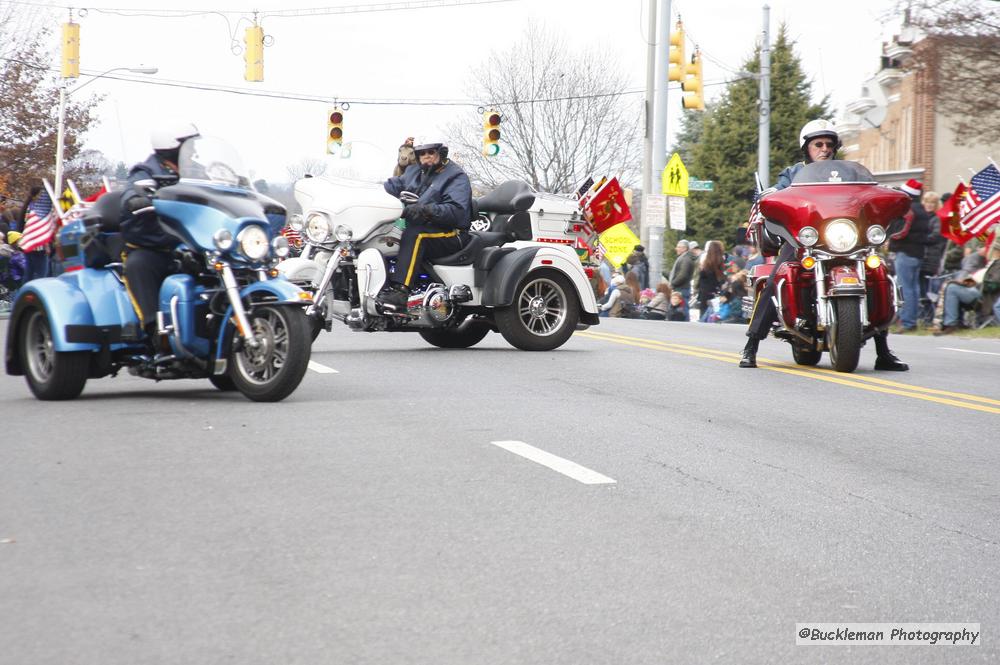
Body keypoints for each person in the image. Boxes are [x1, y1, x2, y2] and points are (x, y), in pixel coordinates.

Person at [739, 119, 908, 371]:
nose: (824, 149)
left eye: (829, 144)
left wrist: (887, 192)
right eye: (818, 144)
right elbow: (778, 193)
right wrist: (770, 194)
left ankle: (883, 351)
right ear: (806, 148)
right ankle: (752, 345)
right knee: (775, 280)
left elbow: (869, 191)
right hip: (803, 242)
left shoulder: (851, 175)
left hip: (847, 241)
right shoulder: (793, 174)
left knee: (879, 275)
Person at [120, 121, 200, 345]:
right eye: (188, 144)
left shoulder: (198, 170)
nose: (193, 149)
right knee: (140, 265)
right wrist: (137, 199)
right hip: (153, 244)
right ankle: (154, 329)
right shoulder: (146, 171)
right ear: (172, 148)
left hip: (192, 242)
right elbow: (131, 193)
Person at [379, 139, 472, 310]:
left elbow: (457, 211)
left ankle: (401, 291)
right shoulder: (413, 172)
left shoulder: (455, 176)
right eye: (422, 153)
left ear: (441, 153)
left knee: (416, 234)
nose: (426, 157)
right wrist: (374, 193)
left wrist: (426, 210)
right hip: (423, 226)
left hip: (452, 232)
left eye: (431, 152)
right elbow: (392, 186)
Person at [889, 178, 932, 333]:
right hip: (918, 254)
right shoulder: (922, 210)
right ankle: (911, 320)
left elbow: (901, 233)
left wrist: (889, 235)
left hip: (905, 253)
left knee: (904, 288)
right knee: (913, 288)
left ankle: (907, 322)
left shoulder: (909, 210)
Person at [696, 240, 726, 321]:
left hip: (705, 292)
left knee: (704, 314)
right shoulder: (721, 263)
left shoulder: (707, 264)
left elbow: (702, 278)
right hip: (715, 291)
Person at [668, 239, 695, 318]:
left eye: (679, 247)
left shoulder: (685, 259)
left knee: (683, 307)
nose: (676, 249)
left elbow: (683, 275)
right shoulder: (683, 258)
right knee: (681, 306)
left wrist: (673, 283)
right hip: (681, 287)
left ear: (684, 248)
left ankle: (685, 322)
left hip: (682, 288)